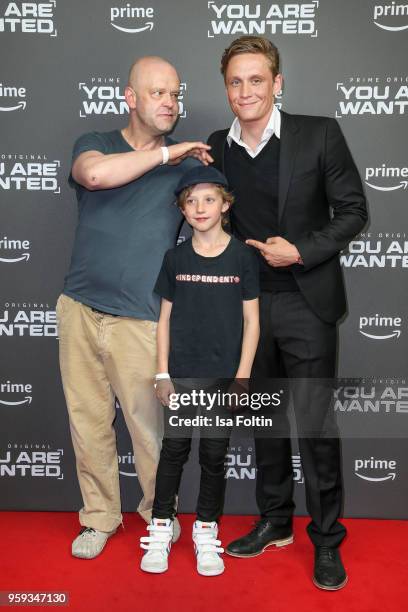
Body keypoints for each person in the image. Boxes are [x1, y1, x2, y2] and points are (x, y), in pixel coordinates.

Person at [207, 36, 367, 590]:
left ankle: (326, 540)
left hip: (307, 300)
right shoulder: (217, 147)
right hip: (248, 309)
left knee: (316, 425)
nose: (245, 90)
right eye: (235, 81)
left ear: (277, 84)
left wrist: (300, 250)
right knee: (264, 424)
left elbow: (353, 211)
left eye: (257, 79)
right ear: (225, 89)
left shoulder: (320, 133)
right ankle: (275, 521)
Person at [58, 55, 213, 559]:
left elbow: (212, 230)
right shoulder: (97, 143)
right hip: (80, 308)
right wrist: (166, 156)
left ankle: (158, 517)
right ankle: (99, 518)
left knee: (150, 433)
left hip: (141, 320)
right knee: (88, 422)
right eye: (158, 93)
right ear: (130, 97)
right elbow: (96, 177)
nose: (170, 102)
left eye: (175, 93)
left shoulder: (189, 168)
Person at [139, 165, 260, 576]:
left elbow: (252, 322)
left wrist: (242, 376)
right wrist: (161, 373)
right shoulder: (175, 258)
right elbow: (164, 320)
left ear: (225, 205)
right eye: (190, 201)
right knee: (173, 451)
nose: (199, 207)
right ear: (182, 210)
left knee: (213, 454)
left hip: (223, 378)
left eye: (209, 199)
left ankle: (205, 531)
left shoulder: (243, 256)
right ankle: (161, 528)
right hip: (181, 375)